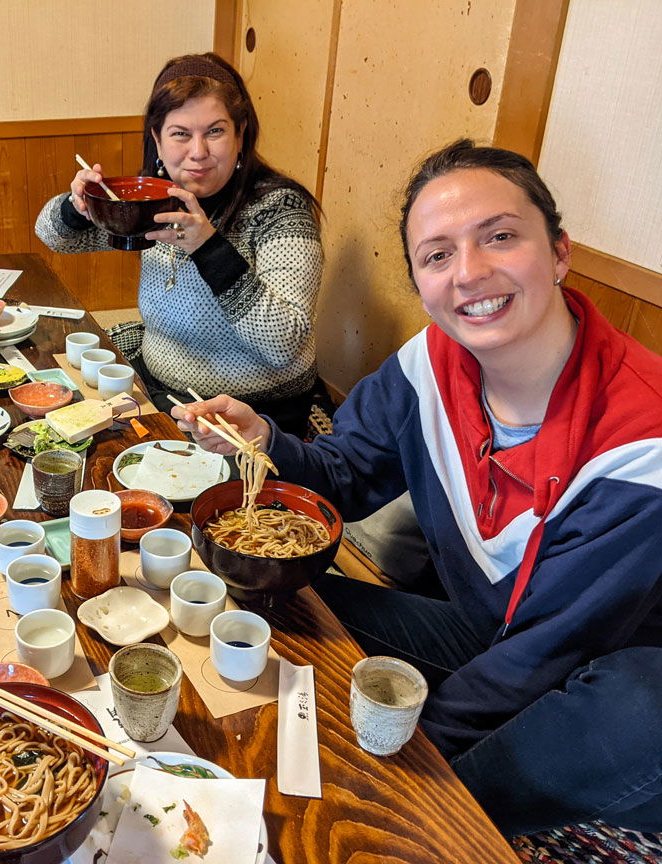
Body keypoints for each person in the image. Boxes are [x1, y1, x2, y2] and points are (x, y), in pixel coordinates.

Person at [173, 140, 662, 835]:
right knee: (268, 586)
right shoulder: (431, 366)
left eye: (499, 237)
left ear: (558, 251)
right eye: (437, 255)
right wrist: (266, 444)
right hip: (494, 636)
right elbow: (343, 477)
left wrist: (395, 749)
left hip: (606, 679)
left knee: (640, 708)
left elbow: (552, 649)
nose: (470, 272)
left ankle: (422, 824)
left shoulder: (642, 438)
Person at [36, 52, 327, 432]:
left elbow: (283, 344)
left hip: (253, 414)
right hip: (158, 389)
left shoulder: (279, 207)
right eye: (180, 134)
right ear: (157, 139)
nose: (198, 152)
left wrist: (208, 247)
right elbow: (54, 236)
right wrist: (79, 206)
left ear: (241, 135)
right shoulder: (153, 199)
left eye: (215, 131)